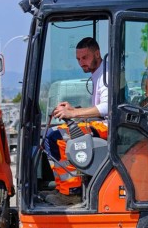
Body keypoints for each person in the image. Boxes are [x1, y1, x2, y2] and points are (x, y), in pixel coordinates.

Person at [45, 37, 108, 206]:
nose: (81, 63)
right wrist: (73, 110)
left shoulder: (106, 74)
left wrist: (73, 113)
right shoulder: (98, 73)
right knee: (50, 132)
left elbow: (106, 108)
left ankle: (71, 192)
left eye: (85, 58)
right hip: (100, 123)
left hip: (108, 128)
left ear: (97, 53)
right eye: (78, 59)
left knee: (57, 137)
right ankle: (62, 187)